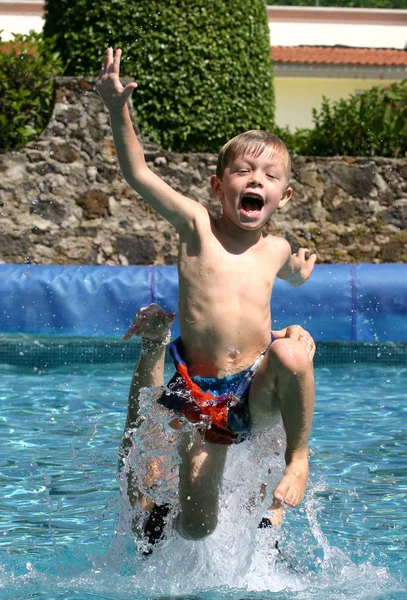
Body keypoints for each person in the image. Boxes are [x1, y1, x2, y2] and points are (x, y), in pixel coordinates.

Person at [98, 47, 317, 542]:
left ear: (284, 197)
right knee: (198, 528)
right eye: (243, 172)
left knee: (293, 353)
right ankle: (157, 519)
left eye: (270, 177)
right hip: (199, 395)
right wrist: (117, 108)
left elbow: (288, 279)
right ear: (219, 187)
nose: (256, 180)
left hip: (251, 385)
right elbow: (139, 175)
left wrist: (300, 274)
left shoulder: (279, 247)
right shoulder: (198, 226)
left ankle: (297, 459)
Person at [119, 304, 315, 549]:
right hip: (173, 505)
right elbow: (138, 428)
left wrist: (293, 350)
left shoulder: (263, 498)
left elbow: (138, 428)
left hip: (231, 396)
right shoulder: (155, 511)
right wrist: (153, 344)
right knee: (149, 460)